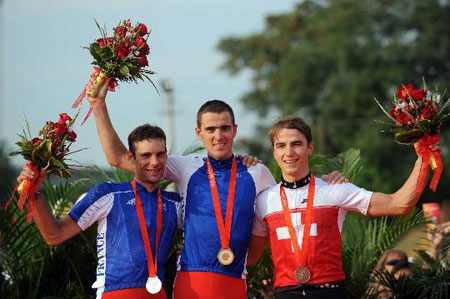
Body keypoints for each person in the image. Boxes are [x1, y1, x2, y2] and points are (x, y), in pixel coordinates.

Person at [86, 80, 347, 298]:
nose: (218, 135)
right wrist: (98, 107)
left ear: (235, 130)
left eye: (224, 128)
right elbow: (118, 158)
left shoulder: (258, 172)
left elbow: (287, 202)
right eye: (210, 129)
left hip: (234, 281)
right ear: (199, 133)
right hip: (190, 283)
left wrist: (325, 182)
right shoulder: (185, 166)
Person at [248, 116, 427, 298]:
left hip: (330, 292)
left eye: (296, 144)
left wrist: (424, 159)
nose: (289, 152)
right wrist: (234, 161)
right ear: (273, 152)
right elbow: (251, 256)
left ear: (310, 148)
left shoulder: (335, 190)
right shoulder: (264, 201)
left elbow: (398, 204)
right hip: (285, 293)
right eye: (281, 146)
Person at [18, 124, 180, 299]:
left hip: (158, 294)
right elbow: (54, 236)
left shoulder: (174, 203)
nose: (154, 162)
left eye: (160, 154)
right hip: (115, 293)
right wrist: (34, 194)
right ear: (131, 158)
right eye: (146, 155)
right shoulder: (108, 194)